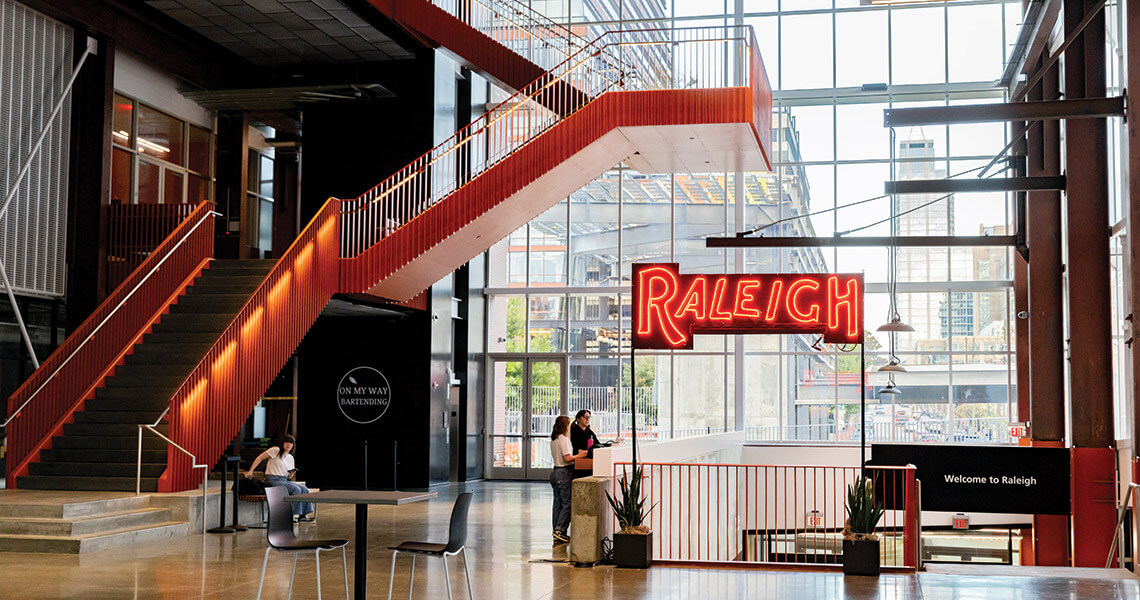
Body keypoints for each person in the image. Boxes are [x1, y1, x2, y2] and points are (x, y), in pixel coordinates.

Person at [245, 434, 314, 522]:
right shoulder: (276, 450)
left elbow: (288, 476)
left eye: (291, 443)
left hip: (284, 480)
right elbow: (260, 458)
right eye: (286, 442)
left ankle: (303, 515)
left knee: (304, 489)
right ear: (282, 443)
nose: (288, 445)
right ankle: (291, 515)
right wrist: (251, 470)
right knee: (296, 489)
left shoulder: (290, 458)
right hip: (273, 480)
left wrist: (291, 474)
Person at [549, 415, 585, 543]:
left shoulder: (554, 439)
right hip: (564, 473)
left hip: (555, 472)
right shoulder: (563, 440)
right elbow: (567, 458)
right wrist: (580, 455)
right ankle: (560, 529)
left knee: (557, 503)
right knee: (568, 503)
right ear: (566, 426)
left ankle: (556, 530)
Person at [570, 409, 621, 479]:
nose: (587, 419)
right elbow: (574, 447)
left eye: (589, 417)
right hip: (579, 462)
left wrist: (611, 444)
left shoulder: (589, 432)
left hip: (590, 461)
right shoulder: (573, 431)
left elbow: (597, 445)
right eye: (585, 417)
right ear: (578, 419)